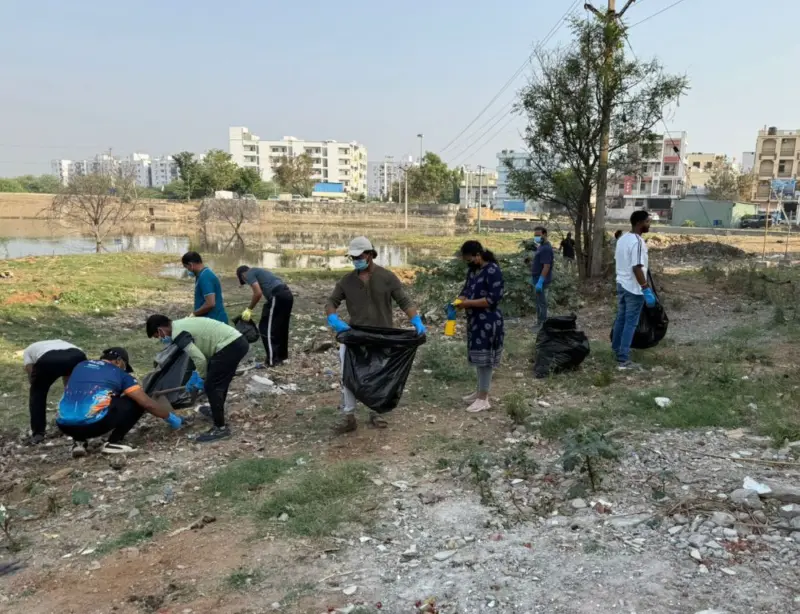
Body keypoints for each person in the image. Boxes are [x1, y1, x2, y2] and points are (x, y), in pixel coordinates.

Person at [325, 236, 426, 434]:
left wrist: (416, 320)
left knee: (380, 374)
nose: (356, 260)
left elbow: (404, 301)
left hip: (382, 334)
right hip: (355, 335)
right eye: (353, 257)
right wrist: (333, 319)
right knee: (349, 376)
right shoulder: (347, 281)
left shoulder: (386, 277)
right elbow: (331, 302)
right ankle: (349, 416)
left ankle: (376, 412)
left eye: (359, 256)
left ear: (370, 255)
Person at [56, 347, 182, 458]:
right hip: (94, 425)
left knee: (81, 399)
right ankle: (113, 442)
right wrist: (171, 418)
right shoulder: (121, 374)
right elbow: (147, 403)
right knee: (136, 401)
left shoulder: (80, 366)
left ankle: (79, 442)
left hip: (64, 425)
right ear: (119, 361)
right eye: (125, 366)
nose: (124, 370)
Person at [146, 314, 249, 442]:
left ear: (160, 329)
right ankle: (216, 412)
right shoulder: (181, 324)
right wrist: (196, 373)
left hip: (230, 345)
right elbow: (200, 353)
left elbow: (200, 359)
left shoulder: (178, 333)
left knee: (212, 386)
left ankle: (220, 428)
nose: (161, 339)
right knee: (219, 382)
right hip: (235, 342)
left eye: (158, 336)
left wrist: (201, 377)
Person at [455, 241, 505, 413]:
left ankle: (484, 398)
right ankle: (478, 392)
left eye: (469, 258)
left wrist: (468, 303)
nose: (468, 262)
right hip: (475, 320)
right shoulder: (474, 270)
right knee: (478, 358)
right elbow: (466, 289)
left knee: (486, 361)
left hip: (489, 321)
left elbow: (492, 300)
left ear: (477, 255)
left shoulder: (493, 271)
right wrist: (459, 300)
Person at [612, 211, 657, 370]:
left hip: (621, 284)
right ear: (639, 223)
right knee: (630, 323)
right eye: (647, 221)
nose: (649, 224)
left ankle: (616, 350)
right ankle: (623, 359)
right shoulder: (637, 242)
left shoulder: (622, 239)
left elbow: (619, 261)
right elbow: (637, 267)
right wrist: (645, 289)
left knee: (621, 319)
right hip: (633, 287)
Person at [23, 340, 87, 445]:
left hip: (48, 360)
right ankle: (80, 427)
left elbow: (32, 376)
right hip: (78, 356)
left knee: (37, 392)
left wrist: (39, 382)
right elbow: (68, 382)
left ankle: (38, 433)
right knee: (75, 392)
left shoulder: (28, 351)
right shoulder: (65, 343)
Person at [236, 265, 294, 367]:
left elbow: (257, 293)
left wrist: (249, 309)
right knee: (281, 328)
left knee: (266, 328)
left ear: (242, 275)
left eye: (244, 280)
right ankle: (281, 358)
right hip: (287, 294)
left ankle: (272, 361)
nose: (247, 282)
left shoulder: (249, 273)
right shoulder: (260, 271)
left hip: (277, 295)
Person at [182, 251, 228, 323]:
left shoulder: (205, 277)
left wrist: (194, 314)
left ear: (191, 265)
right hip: (209, 320)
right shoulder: (201, 275)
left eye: (187, 267)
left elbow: (210, 303)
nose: (188, 270)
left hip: (215, 321)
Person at [531, 226, 554, 328]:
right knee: (538, 302)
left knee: (542, 303)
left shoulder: (546, 249)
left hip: (542, 280)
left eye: (538, 235)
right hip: (536, 278)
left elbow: (546, 266)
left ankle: (542, 325)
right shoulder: (540, 247)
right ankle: (539, 322)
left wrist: (540, 281)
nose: (536, 237)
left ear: (544, 234)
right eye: (535, 235)